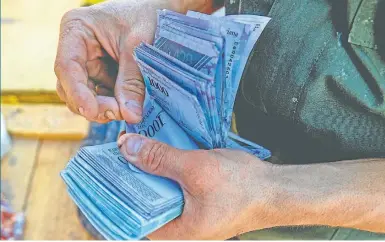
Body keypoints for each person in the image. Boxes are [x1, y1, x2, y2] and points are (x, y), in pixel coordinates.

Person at [54, 0, 385, 240]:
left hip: (312, 214)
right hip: (220, 112)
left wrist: (269, 196)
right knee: (97, 215)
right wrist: (164, 7)